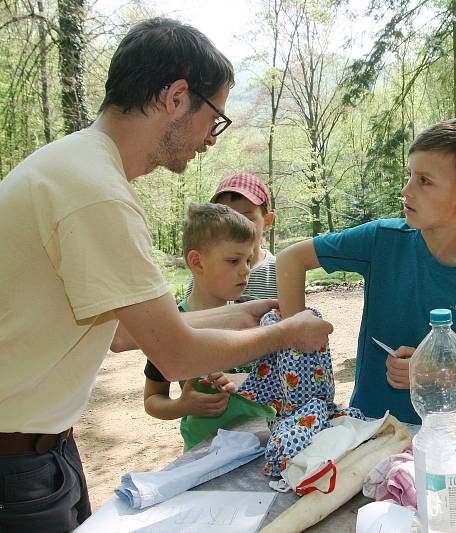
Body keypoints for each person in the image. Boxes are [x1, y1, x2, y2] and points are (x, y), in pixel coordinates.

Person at [0, 18, 330, 532]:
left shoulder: (78, 170)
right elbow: (173, 357)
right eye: (214, 118)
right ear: (177, 97)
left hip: (40, 449)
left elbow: (127, 334)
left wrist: (237, 312)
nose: (209, 140)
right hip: (15, 462)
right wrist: (286, 332)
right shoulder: (94, 191)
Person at [277, 117, 456, 425]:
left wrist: (430, 372)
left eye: (424, 181)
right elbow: (290, 259)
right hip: (367, 427)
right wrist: (299, 340)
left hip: (440, 437)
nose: (406, 190)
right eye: (409, 176)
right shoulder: (381, 240)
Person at [143, 203, 258, 449]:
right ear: (197, 262)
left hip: (264, 444)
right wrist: (182, 406)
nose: (245, 270)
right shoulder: (174, 326)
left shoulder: (257, 316)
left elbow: (285, 376)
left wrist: (243, 379)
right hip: (205, 453)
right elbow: (153, 398)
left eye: (248, 259)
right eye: (233, 261)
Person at [186, 172, 277, 300]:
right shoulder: (206, 275)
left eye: (247, 218)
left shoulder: (279, 272)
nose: (237, 227)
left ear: (267, 221)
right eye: (226, 221)